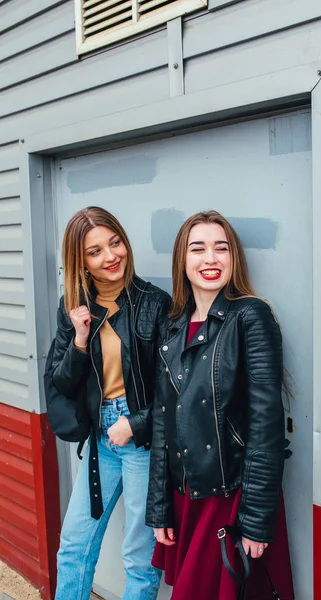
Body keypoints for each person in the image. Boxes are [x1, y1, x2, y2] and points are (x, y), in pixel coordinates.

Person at [146, 210, 294, 600]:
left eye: (221, 248)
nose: (210, 259)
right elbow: (164, 422)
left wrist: (257, 520)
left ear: (234, 258)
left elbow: (266, 424)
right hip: (185, 496)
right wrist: (160, 507)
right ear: (183, 258)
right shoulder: (172, 324)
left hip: (230, 497)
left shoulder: (251, 316)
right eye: (198, 248)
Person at [48, 206, 170, 600]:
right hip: (101, 440)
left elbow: (175, 390)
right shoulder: (74, 308)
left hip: (141, 440)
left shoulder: (156, 304)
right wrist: (81, 339)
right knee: (74, 546)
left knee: (138, 557)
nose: (110, 256)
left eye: (114, 242)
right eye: (95, 251)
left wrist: (135, 423)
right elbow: (62, 382)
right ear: (81, 261)